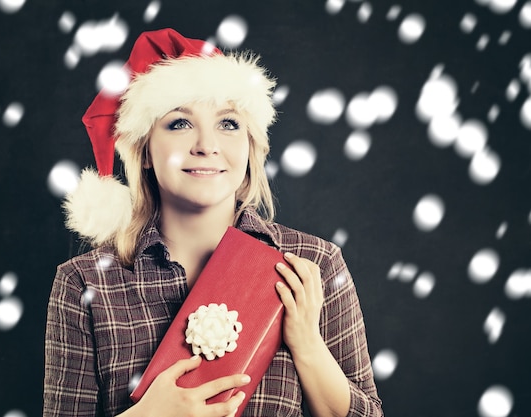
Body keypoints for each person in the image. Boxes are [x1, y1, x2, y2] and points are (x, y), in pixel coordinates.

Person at [44, 28, 383, 417]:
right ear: (146, 152)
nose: (207, 145)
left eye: (228, 123)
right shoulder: (86, 282)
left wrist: (306, 343)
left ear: (251, 145)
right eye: (179, 123)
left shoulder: (311, 264)